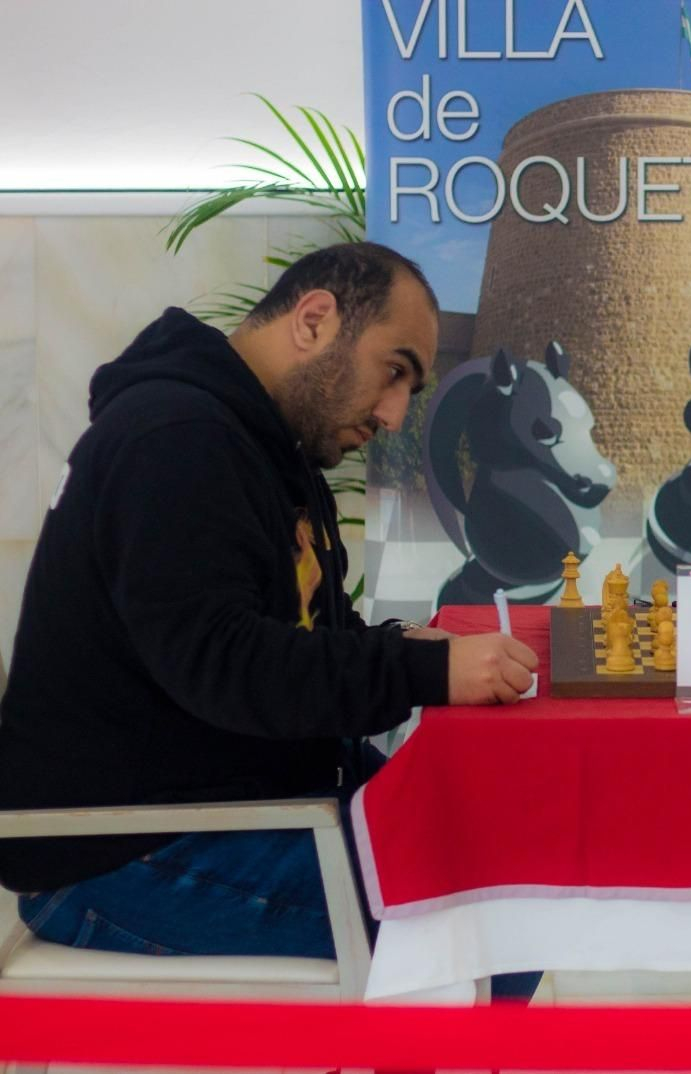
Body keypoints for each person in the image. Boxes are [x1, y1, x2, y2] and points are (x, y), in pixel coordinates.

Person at [0, 243, 539, 973]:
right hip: (120, 851)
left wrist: (409, 643)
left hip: (240, 799)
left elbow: (304, 632)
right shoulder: (175, 441)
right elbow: (228, 664)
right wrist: (425, 670)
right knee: (492, 926)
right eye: (394, 371)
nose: (394, 412)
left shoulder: (266, 450)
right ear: (314, 319)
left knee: (500, 856)